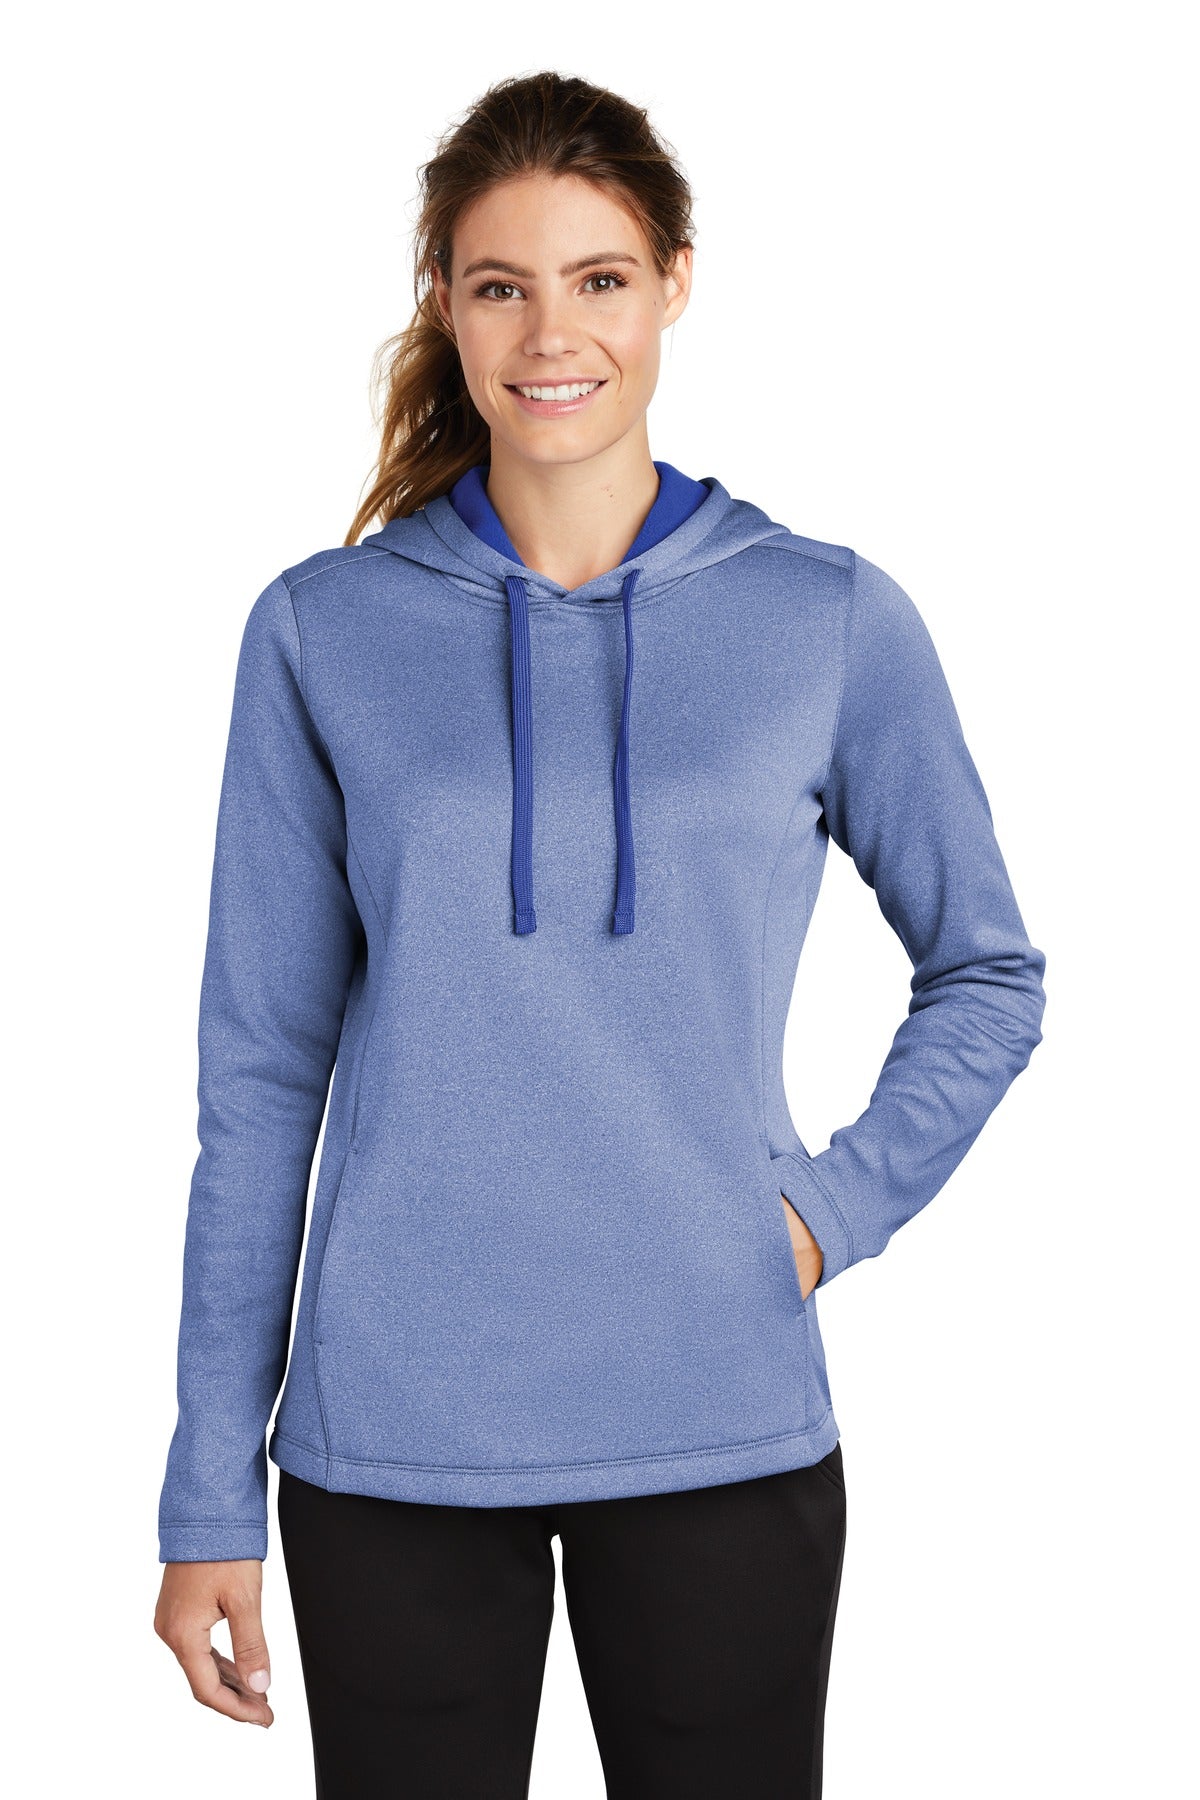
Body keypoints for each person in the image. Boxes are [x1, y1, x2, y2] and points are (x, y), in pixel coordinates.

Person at [153, 69, 1047, 1799]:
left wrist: (826, 1213)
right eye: (502, 284)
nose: (551, 333)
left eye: (601, 279)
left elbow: (988, 972)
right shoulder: (324, 631)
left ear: (675, 284)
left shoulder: (823, 618)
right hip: (393, 1438)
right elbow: (257, 1078)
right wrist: (209, 1489)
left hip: (717, 1409)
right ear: (444, 302)